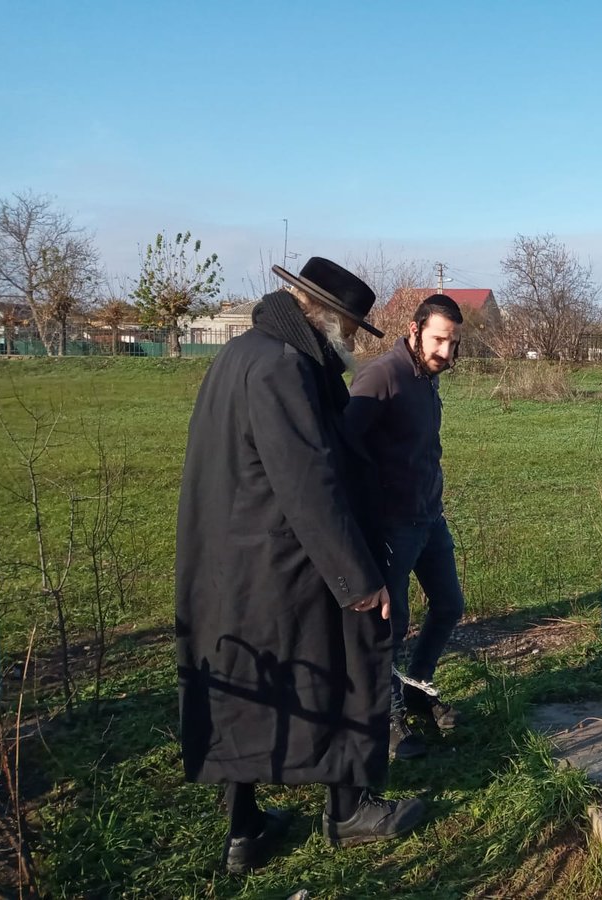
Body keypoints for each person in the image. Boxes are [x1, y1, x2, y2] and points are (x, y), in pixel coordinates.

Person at [176, 257, 424, 875]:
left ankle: (245, 831)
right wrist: (359, 581)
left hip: (234, 559)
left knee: (251, 681)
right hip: (287, 556)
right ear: (330, 317)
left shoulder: (245, 353)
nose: (349, 340)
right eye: (349, 324)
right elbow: (309, 481)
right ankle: (350, 810)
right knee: (349, 658)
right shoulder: (283, 367)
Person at [346, 293, 465, 759]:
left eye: (453, 343)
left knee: (449, 605)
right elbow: (344, 449)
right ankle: (389, 719)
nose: (446, 353)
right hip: (392, 525)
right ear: (414, 330)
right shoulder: (381, 376)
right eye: (438, 340)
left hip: (429, 518)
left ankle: (417, 686)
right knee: (389, 628)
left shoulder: (425, 377)